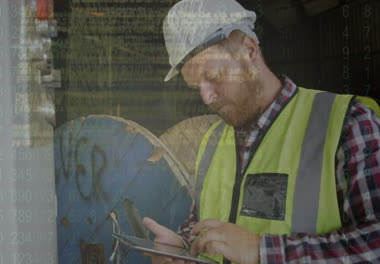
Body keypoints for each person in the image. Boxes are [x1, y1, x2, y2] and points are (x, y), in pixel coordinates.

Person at [142, 0, 380, 263]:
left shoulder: (347, 123)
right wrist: (183, 247)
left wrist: (262, 251)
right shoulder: (211, 141)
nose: (206, 97)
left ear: (250, 50)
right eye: (196, 85)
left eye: (214, 75)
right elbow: (202, 223)